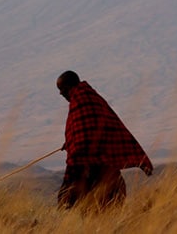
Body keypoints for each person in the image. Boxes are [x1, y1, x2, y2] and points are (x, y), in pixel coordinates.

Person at [56, 71, 153, 209]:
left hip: (90, 169)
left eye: (62, 89)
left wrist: (74, 146)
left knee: (72, 203)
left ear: (70, 86)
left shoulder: (80, 101)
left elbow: (84, 139)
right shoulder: (92, 98)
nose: (61, 94)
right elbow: (84, 132)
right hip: (107, 170)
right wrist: (70, 142)